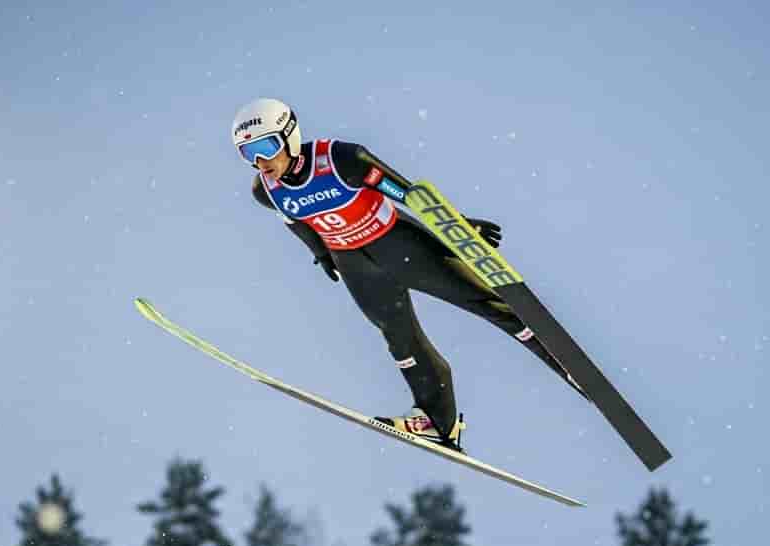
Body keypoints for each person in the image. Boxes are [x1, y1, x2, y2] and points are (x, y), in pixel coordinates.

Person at [232, 98, 586, 450]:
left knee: (485, 303)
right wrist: (322, 255)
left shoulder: (341, 160)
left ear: (290, 136)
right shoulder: (266, 192)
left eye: (266, 147)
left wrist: (458, 226)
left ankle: (568, 365)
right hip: (356, 266)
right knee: (400, 338)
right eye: (249, 154)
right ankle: (437, 422)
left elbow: (406, 193)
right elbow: (295, 221)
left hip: (398, 246)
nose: (261, 162)